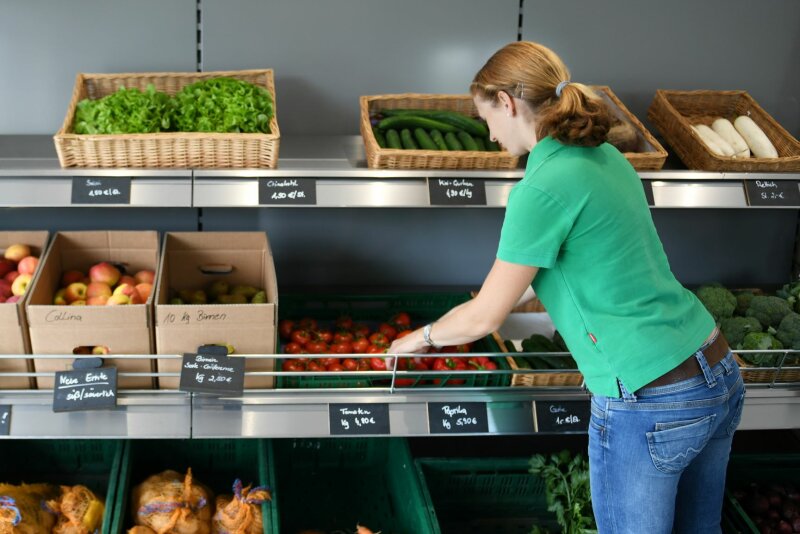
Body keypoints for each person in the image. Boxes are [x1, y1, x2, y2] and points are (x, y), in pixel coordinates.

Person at [388, 41, 745, 533]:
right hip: (715, 369)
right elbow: (605, 263)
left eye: (485, 116)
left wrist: (418, 339)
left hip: (649, 394)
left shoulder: (540, 189)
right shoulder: (606, 158)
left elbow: (485, 318)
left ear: (507, 103)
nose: (489, 134)